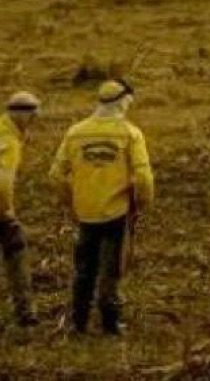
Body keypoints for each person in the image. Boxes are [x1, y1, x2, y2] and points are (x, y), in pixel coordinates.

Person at [49, 80, 154, 335]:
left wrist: (71, 204)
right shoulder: (130, 134)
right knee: (112, 269)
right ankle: (110, 323)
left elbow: (55, 174)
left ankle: (79, 322)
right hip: (116, 214)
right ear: (124, 101)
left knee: (84, 269)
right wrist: (141, 204)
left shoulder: (75, 133)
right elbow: (143, 178)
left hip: (85, 213)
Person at [0, 92, 42, 327]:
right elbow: (3, 183)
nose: (35, 121)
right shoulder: (8, 141)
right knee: (16, 252)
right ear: (23, 115)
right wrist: (6, 212)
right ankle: (26, 314)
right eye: (33, 116)